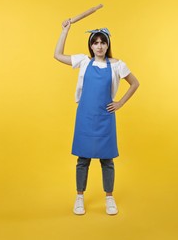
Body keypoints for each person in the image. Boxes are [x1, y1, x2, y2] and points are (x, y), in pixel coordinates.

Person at [54, 19, 139, 215]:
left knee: (107, 160)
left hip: (105, 117)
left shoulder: (117, 65)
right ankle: (79, 197)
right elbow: (57, 55)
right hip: (85, 116)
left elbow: (135, 83)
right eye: (95, 42)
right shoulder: (84, 61)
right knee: (82, 159)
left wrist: (120, 103)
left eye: (103, 42)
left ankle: (109, 198)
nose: (99, 46)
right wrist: (65, 30)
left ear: (107, 44)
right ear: (90, 45)